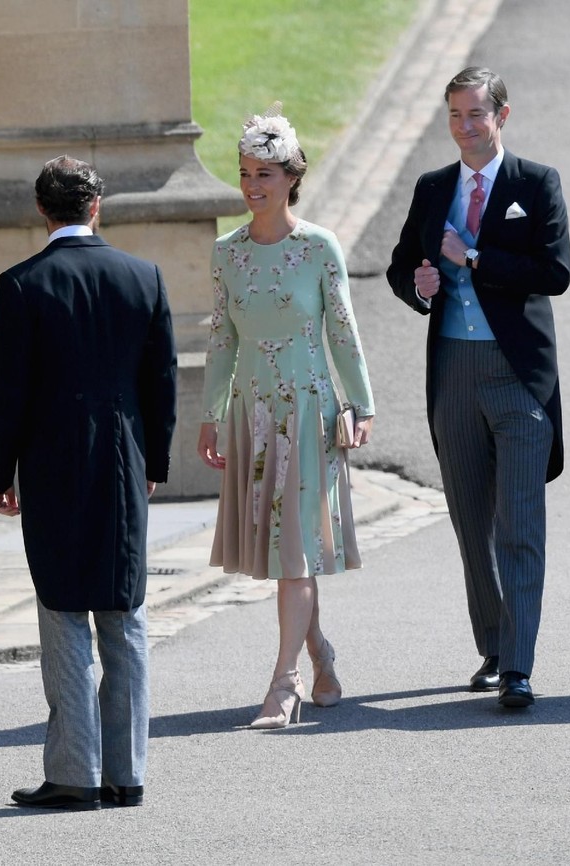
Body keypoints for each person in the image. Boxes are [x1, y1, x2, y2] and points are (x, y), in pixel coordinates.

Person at [0, 155, 177, 809]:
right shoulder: (143, 276)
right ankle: (126, 774)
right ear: (98, 206)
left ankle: (76, 773)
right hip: (123, 463)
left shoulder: (22, 283)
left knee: (64, 612)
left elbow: (6, 393)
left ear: (42, 209)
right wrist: (154, 464)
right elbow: (162, 381)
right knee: (124, 614)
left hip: (51, 467)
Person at [387, 67, 570, 708]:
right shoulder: (433, 187)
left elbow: (555, 272)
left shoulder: (535, 183)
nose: (465, 126)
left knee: (519, 522)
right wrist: (419, 286)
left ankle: (518, 666)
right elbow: (401, 266)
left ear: (502, 116)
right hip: (453, 372)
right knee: (471, 521)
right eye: (455, 115)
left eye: (476, 114)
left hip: (518, 376)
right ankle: (493, 646)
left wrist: (473, 259)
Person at [197, 104, 375, 728]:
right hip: (253, 415)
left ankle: (284, 682)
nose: (252, 185)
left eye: (265, 174)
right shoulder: (226, 252)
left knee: (294, 554)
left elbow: (343, 332)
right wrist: (211, 414)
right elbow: (221, 339)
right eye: (245, 173)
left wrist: (361, 404)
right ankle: (320, 654)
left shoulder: (318, 246)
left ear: (291, 178)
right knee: (285, 552)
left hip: (309, 415)